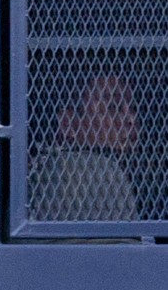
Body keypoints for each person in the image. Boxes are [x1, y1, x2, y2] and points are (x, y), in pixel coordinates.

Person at [30, 75, 138, 222]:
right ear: (68, 123)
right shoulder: (92, 168)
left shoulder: (41, 171)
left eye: (134, 108)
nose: (132, 118)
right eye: (114, 107)